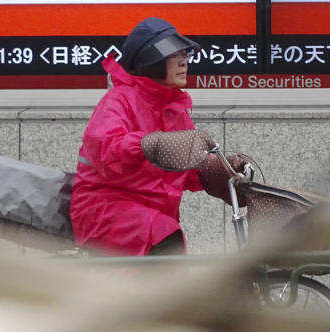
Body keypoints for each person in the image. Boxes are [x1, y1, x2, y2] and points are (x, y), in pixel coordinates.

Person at [70, 17, 241, 256]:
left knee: (166, 243)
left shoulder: (174, 107)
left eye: (186, 55)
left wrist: (221, 171)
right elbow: (107, 149)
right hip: (106, 210)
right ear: (151, 61)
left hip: (153, 214)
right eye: (174, 56)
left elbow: (186, 166)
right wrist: (150, 144)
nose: (184, 62)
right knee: (165, 239)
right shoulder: (119, 99)